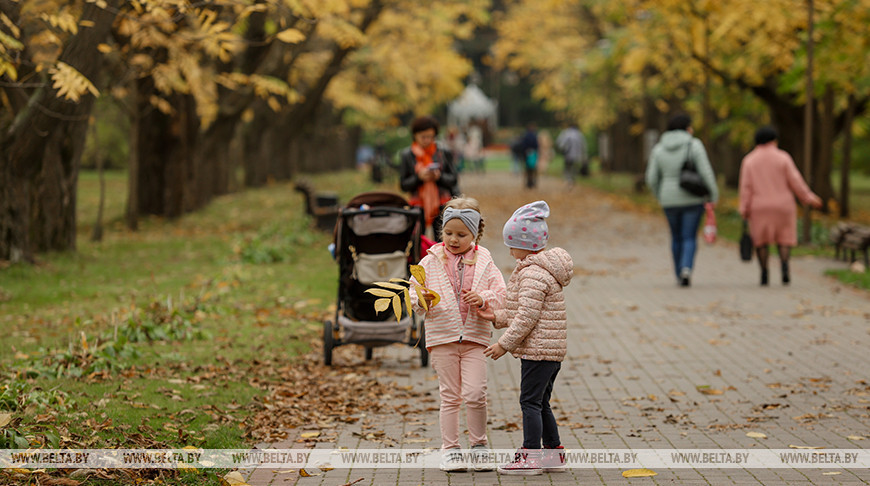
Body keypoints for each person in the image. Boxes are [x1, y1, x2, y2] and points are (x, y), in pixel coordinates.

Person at [409, 196, 507, 473]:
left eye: (461, 234)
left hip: (475, 337)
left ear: (474, 234)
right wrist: (421, 300)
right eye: (448, 233)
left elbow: (501, 294)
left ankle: (479, 445)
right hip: (442, 337)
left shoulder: (485, 261)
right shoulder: (430, 261)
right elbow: (413, 291)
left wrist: (483, 297)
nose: (453, 239)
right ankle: (451, 449)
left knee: (476, 393)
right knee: (450, 396)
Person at [479, 201, 573, 476]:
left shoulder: (532, 273)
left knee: (529, 402)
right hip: (548, 352)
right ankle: (553, 452)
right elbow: (521, 310)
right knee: (541, 402)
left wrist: (503, 344)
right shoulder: (537, 270)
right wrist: (496, 317)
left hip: (539, 351)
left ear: (526, 244)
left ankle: (531, 455)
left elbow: (526, 318)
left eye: (512, 245)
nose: (510, 251)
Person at [739, 126, 823, 286]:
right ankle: (785, 266)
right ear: (774, 140)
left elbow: (746, 187)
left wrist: (744, 208)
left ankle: (764, 273)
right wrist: (808, 197)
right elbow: (795, 181)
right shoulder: (783, 158)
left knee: (761, 240)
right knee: (784, 238)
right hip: (783, 205)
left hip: (760, 206)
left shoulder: (749, 160)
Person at [645, 113, 719, 287]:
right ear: (688, 128)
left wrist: (660, 194)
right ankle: (686, 268)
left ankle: (679, 272)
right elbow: (706, 172)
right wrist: (713, 195)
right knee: (689, 236)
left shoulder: (659, 149)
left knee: (676, 237)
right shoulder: (694, 145)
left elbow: (651, 178)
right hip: (692, 198)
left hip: (668, 199)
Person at [399, 116, 459, 241]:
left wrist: (438, 177)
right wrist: (419, 178)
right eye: (423, 137)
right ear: (415, 135)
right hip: (417, 205)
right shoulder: (407, 155)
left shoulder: (442, 153)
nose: (427, 140)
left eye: (431, 137)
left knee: (443, 241)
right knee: (417, 240)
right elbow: (404, 185)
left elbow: (453, 180)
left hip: (442, 204)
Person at [517, 123, 540, 189]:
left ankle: (528, 183)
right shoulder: (534, 135)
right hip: (533, 154)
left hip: (526, 154)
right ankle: (533, 183)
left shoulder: (525, 135)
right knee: (533, 169)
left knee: (527, 170)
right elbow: (536, 145)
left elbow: (523, 146)